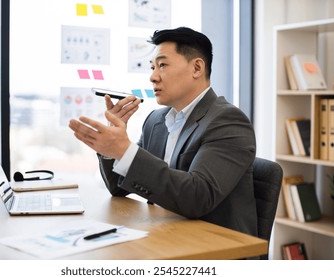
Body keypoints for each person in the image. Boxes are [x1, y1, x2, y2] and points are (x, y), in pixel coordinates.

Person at [69, 27, 257, 237]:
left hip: (214, 244)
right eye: (152, 67)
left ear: (197, 68)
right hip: (166, 232)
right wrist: (111, 148)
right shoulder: (156, 121)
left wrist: (125, 151)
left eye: (162, 65)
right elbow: (118, 189)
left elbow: (198, 197)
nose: (153, 77)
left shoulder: (228, 121)